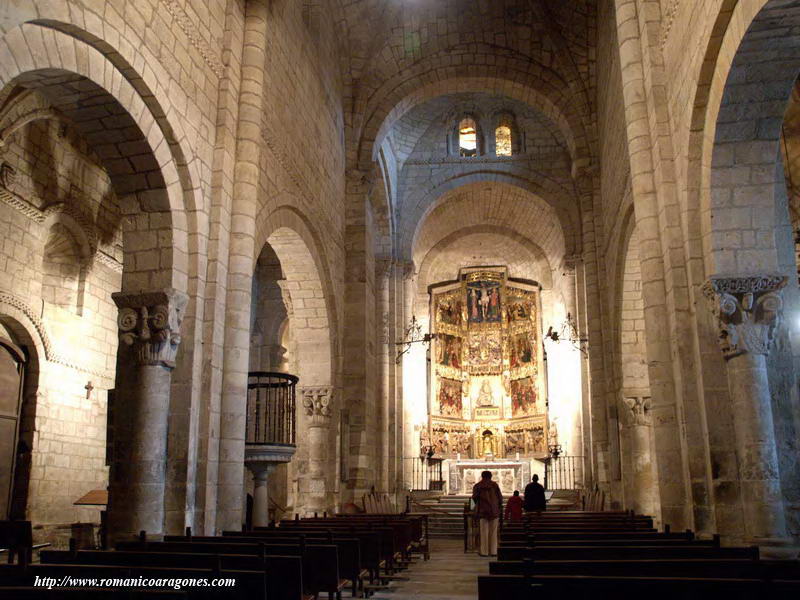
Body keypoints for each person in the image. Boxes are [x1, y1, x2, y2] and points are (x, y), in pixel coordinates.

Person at [471, 470, 503, 557]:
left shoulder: (478, 486)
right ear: (491, 476)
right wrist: (498, 507)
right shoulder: (494, 485)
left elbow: (473, 499)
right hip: (494, 511)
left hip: (482, 511)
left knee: (483, 532)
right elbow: (500, 498)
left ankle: (484, 552)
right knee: (493, 532)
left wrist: (472, 509)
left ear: (482, 476)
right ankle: (493, 551)